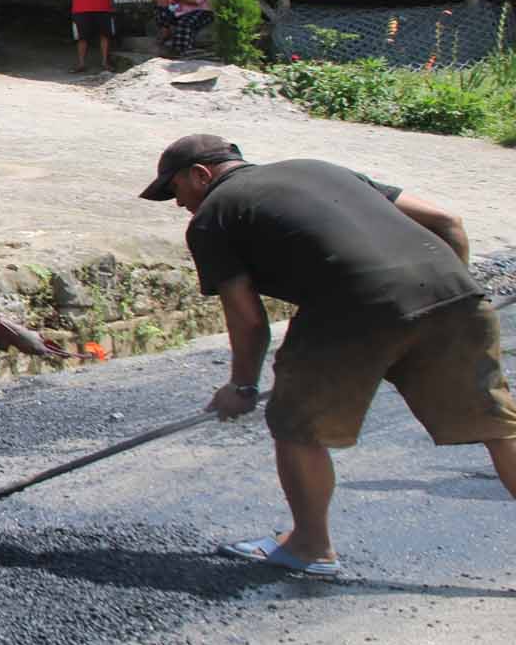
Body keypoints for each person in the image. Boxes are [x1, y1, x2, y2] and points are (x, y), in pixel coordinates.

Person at [141, 134, 516, 577]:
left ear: (200, 174)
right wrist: (452, 293)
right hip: (456, 296)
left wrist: (242, 387)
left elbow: (249, 320)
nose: (178, 203)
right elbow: (447, 221)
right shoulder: (321, 168)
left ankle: (310, 546)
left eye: (175, 189)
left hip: (352, 307)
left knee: (297, 424)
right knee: (498, 426)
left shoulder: (213, 217)